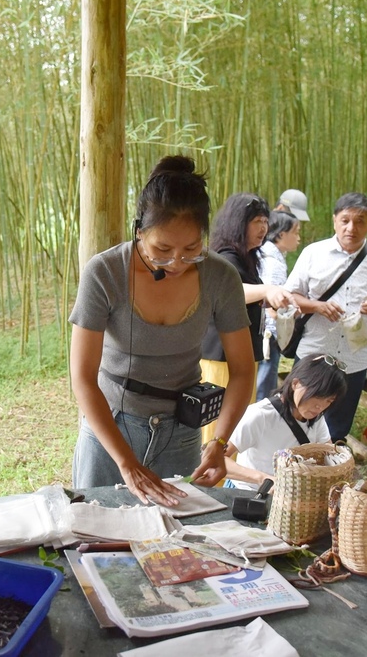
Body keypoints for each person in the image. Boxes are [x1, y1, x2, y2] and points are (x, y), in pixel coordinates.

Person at [69, 156, 256, 507]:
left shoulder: (220, 277)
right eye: (162, 250)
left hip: (182, 431)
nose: (176, 263)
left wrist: (218, 443)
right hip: (110, 426)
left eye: (190, 250)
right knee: (97, 531)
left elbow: (244, 371)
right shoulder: (105, 273)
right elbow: (82, 376)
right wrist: (125, 461)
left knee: (174, 537)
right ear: (139, 230)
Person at [284, 192, 367, 441]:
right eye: (345, 220)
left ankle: (325, 472)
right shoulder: (313, 253)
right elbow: (289, 297)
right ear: (334, 221)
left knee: (337, 426)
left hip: (353, 359)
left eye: (360, 221)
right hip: (313, 353)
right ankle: (290, 467)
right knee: (296, 416)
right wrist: (317, 306)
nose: (352, 228)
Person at [199, 193, 295, 442]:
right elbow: (232, 291)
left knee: (235, 423)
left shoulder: (246, 257)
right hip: (221, 357)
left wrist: (265, 298)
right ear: (238, 223)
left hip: (239, 355)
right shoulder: (225, 257)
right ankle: (212, 472)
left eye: (265, 221)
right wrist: (266, 290)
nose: (264, 228)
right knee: (218, 424)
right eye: (257, 221)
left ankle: (227, 472)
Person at [224, 353, 347, 490]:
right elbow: (218, 460)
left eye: (329, 401)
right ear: (296, 384)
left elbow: (329, 456)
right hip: (248, 494)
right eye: (317, 396)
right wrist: (262, 479)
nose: (320, 406)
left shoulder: (316, 417)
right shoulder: (261, 415)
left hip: (289, 499)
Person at [256, 210, 302, 400]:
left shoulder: (267, 255)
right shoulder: (273, 263)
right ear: (282, 234)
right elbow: (269, 302)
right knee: (264, 386)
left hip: (263, 331)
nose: (299, 238)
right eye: (296, 232)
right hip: (269, 333)